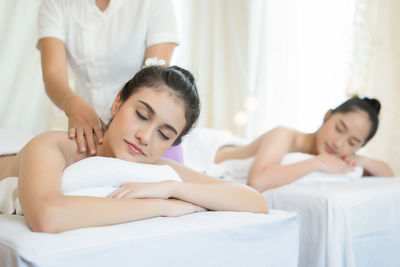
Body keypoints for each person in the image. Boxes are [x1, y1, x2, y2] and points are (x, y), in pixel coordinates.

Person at [0, 66, 269, 233]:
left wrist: (172, 189)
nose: (144, 137)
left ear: (172, 144)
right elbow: (47, 217)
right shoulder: (55, 146)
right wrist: (160, 206)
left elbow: (255, 201)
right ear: (117, 104)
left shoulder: (155, 168)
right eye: (141, 114)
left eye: (164, 134)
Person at [38, 0, 179, 156]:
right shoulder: (56, 4)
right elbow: (53, 73)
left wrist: (138, 119)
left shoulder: (155, 4)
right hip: (87, 130)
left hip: (138, 132)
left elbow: (155, 83)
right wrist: (72, 104)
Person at [214, 96, 394, 192]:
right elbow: (257, 182)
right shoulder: (284, 135)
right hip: (212, 152)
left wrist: (360, 160)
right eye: (339, 128)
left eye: (353, 142)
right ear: (328, 115)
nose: (339, 143)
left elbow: (389, 177)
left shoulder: (340, 156)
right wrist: (318, 162)